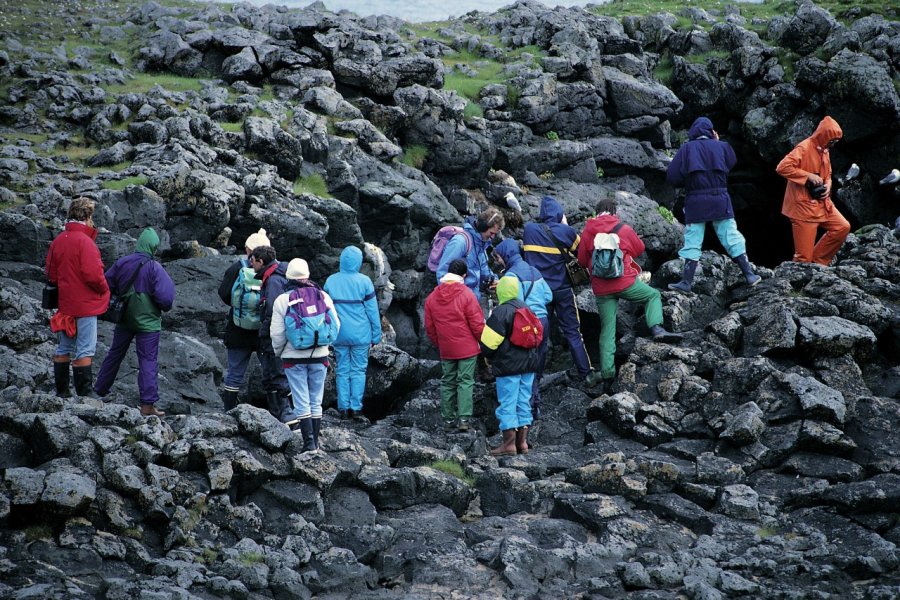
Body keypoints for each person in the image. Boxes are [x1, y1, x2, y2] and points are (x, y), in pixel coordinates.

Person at [578, 197, 682, 390]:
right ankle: (657, 328)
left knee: (607, 329)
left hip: (601, 288)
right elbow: (639, 248)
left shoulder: (587, 232)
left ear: (597, 211)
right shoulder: (622, 229)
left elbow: (583, 260)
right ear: (614, 211)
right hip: (624, 282)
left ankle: (608, 374)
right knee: (652, 296)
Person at [666, 116, 761, 291]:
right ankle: (749, 274)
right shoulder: (722, 146)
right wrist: (717, 143)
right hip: (720, 200)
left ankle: (686, 282)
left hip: (696, 202)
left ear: (693, 132)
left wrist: (687, 182)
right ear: (711, 132)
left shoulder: (686, 149)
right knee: (731, 235)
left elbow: (672, 176)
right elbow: (731, 162)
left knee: (693, 239)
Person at [93, 228, 176, 416]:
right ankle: (147, 406)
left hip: (124, 317)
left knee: (115, 353)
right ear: (153, 246)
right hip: (148, 323)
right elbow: (166, 299)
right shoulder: (155, 267)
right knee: (147, 360)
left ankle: (99, 390)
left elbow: (106, 284)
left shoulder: (123, 262)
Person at [270, 258, 340, 452]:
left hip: (293, 358)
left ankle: (308, 445)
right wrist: (325, 346)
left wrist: (280, 352)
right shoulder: (323, 296)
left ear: (288, 276)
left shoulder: (283, 300)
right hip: (320, 356)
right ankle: (315, 444)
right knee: (316, 400)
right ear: (307, 275)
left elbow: (277, 333)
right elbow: (336, 325)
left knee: (301, 400)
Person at [522, 196, 593, 383]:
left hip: (538, 292)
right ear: (559, 213)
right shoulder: (566, 231)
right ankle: (586, 374)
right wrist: (565, 225)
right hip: (562, 290)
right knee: (573, 332)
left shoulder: (529, 230)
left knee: (539, 335)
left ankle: (535, 379)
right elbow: (583, 255)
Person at [45, 197, 110, 400]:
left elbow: (51, 273)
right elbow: (94, 275)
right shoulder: (86, 242)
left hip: (65, 305)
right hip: (85, 305)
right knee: (85, 349)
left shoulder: (59, 240)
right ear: (87, 216)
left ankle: (62, 393)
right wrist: (104, 288)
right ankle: (85, 395)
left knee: (64, 346)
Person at [776, 115, 851, 265]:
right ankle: (797, 282)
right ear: (824, 135)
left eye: (836, 141)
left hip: (822, 204)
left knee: (842, 227)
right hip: (802, 208)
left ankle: (818, 263)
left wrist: (828, 185)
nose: (834, 144)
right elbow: (782, 167)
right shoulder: (804, 148)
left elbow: (828, 174)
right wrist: (808, 176)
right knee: (803, 258)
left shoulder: (824, 150)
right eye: (832, 140)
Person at [491, 239, 553, 420]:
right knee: (537, 364)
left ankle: (522, 412)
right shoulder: (534, 271)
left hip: (524, 324)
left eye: (499, 257)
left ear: (506, 256)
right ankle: (535, 406)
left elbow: (513, 304)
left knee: (523, 366)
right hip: (542, 321)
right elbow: (548, 296)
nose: (498, 261)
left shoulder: (510, 276)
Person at [424, 259, 486, 432]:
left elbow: (429, 327)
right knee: (465, 381)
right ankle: (464, 419)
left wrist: (440, 343)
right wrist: (483, 342)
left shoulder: (432, 297)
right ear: (464, 275)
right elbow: (477, 324)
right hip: (467, 348)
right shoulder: (467, 295)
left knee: (447, 382)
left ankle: (448, 420)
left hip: (446, 348)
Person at [480, 277, 539, 456]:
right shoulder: (527, 308)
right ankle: (522, 443)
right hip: (529, 364)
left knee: (507, 403)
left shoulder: (501, 312)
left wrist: (489, 359)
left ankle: (508, 444)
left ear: (501, 291)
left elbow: (488, 345)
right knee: (523, 402)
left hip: (508, 366)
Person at [324, 246, 382, 420]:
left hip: (339, 334)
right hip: (361, 334)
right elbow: (373, 311)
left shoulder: (331, 281)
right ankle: (356, 408)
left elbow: (325, 310)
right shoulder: (365, 281)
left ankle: (343, 408)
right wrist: (376, 335)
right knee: (358, 370)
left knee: (342, 370)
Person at [217, 228, 270, 411]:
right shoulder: (274, 272)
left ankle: (228, 411)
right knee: (271, 373)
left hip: (238, 328)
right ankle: (278, 413)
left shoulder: (236, 268)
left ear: (248, 250)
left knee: (234, 374)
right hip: (264, 331)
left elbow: (223, 293)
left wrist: (238, 306)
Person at [250, 245, 291, 422]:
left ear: (261, 261)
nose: (251, 266)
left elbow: (272, 310)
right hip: (283, 335)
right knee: (274, 374)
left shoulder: (273, 280)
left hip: (274, 336)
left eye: (253, 262)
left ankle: (284, 415)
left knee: (276, 374)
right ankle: (281, 414)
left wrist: (264, 332)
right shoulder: (280, 274)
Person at [435, 206, 504, 301]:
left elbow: (483, 269)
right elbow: (443, 273)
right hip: (457, 300)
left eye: (495, 234)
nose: (492, 237)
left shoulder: (481, 245)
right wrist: (453, 303)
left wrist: (495, 280)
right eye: (491, 233)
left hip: (471, 300)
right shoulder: (460, 242)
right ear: (483, 227)